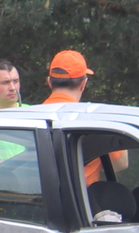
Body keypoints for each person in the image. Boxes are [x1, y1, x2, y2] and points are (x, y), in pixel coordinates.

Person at [41, 50, 123, 181]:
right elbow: (120, 163)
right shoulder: (93, 120)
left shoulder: (30, 119)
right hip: (82, 199)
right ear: (83, 84)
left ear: (50, 82)